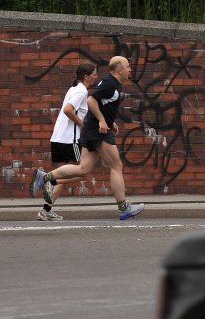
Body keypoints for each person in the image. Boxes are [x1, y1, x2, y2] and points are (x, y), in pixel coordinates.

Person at [30, 56, 145, 221]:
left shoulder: (111, 83)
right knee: (116, 166)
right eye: (128, 66)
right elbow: (91, 101)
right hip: (95, 131)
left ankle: (45, 178)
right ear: (120, 70)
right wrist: (102, 121)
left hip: (92, 130)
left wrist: (109, 121)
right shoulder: (109, 84)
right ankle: (123, 208)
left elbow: (101, 103)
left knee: (83, 170)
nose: (130, 69)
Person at [37, 61, 98, 221]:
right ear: (86, 76)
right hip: (69, 140)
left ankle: (45, 210)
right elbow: (68, 110)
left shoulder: (73, 89)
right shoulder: (82, 92)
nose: (96, 77)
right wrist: (82, 124)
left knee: (64, 177)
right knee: (83, 173)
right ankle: (47, 179)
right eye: (94, 74)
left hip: (58, 138)